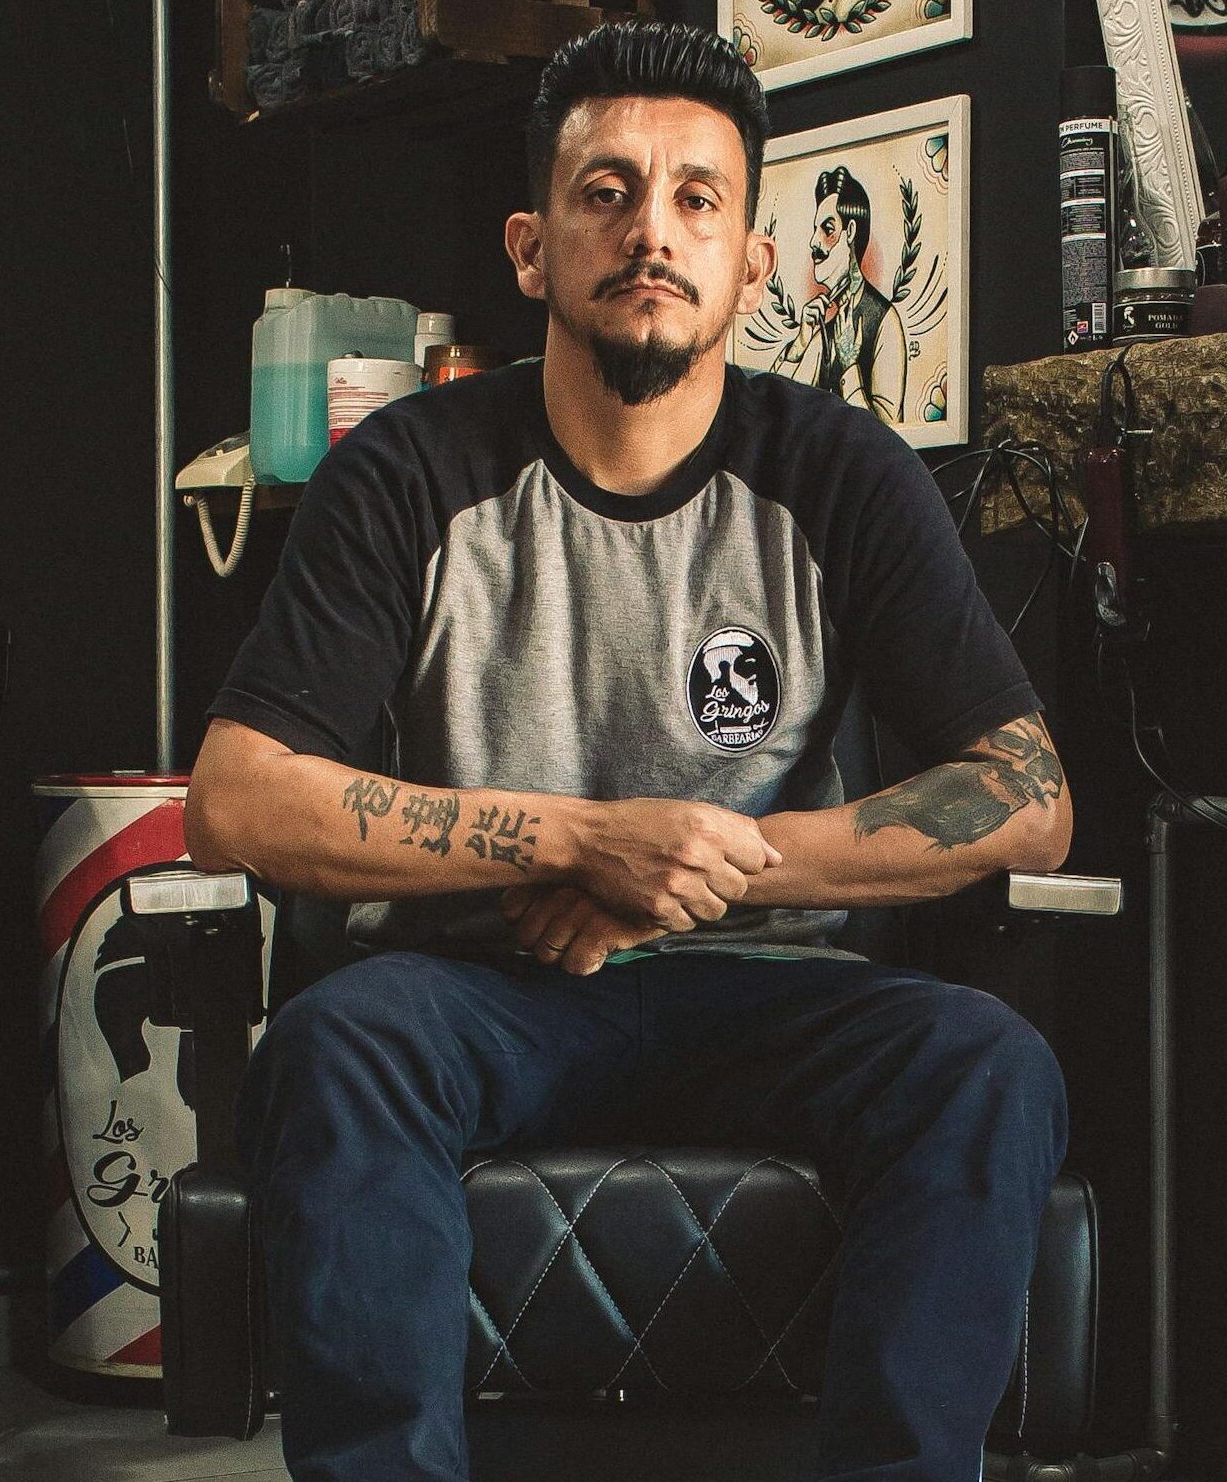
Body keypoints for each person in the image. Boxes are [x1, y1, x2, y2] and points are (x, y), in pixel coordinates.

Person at [186, 19, 1072, 1482]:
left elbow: (1028, 794)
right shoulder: (401, 474)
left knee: (987, 1062)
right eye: (605, 193)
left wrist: (702, 869)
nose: (649, 232)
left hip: (766, 989)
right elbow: (236, 796)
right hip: (476, 994)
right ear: (532, 247)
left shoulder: (839, 472)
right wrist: (572, 837)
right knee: (337, 1046)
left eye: (695, 200)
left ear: (753, 262)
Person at [774, 166, 909, 425]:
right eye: (815, 229)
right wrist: (799, 345)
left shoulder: (884, 320)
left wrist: (849, 365)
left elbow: (890, 437)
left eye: (827, 229)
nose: (814, 242)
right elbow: (775, 420)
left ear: (850, 233)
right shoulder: (821, 328)